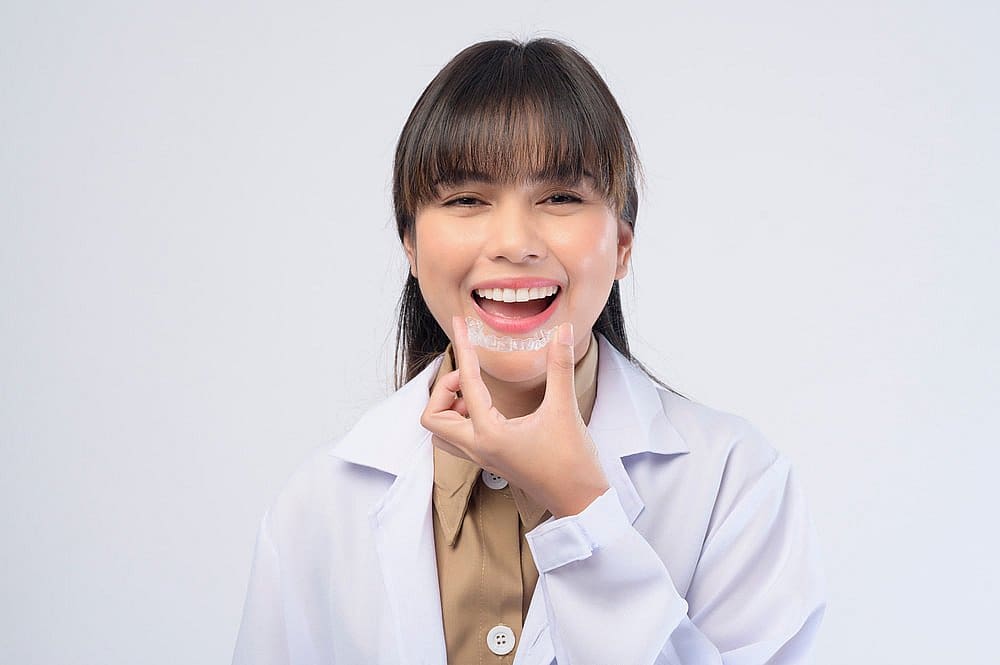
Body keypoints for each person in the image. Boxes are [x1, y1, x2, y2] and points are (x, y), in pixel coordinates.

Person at [232, 38, 826, 665]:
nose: (515, 243)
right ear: (410, 244)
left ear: (622, 245)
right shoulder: (318, 507)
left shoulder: (737, 481)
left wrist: (581, 509)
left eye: (561, 197)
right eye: (466, 200)